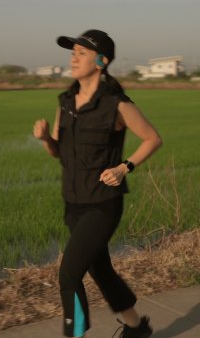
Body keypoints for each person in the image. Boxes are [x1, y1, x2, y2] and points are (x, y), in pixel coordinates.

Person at [33, 29, 162, 338]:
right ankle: (136, 328)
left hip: (103, 204)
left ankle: (74, 334)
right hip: (73, 204)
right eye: (71, 52)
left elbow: (152, 139)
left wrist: (124, 167)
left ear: (101, 61)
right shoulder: (65, 102)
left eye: (81, 53)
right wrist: (46, 139)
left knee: (68, 276)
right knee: (100, 269)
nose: (73, 58)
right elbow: (59, 153)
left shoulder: (116, 104)